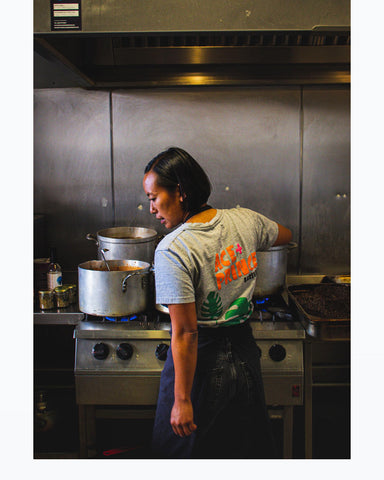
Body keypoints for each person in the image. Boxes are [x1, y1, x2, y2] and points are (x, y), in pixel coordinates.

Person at [143, 147, 292, 459]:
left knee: (183, 455)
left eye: (154, 198)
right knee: (242, 453)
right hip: (244, 354)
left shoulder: (173, 249)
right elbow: (285, 235)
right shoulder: (246, 220)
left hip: (203, 366)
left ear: (180, 192)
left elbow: (185, 333)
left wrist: (182, 399)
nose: (152, 209)